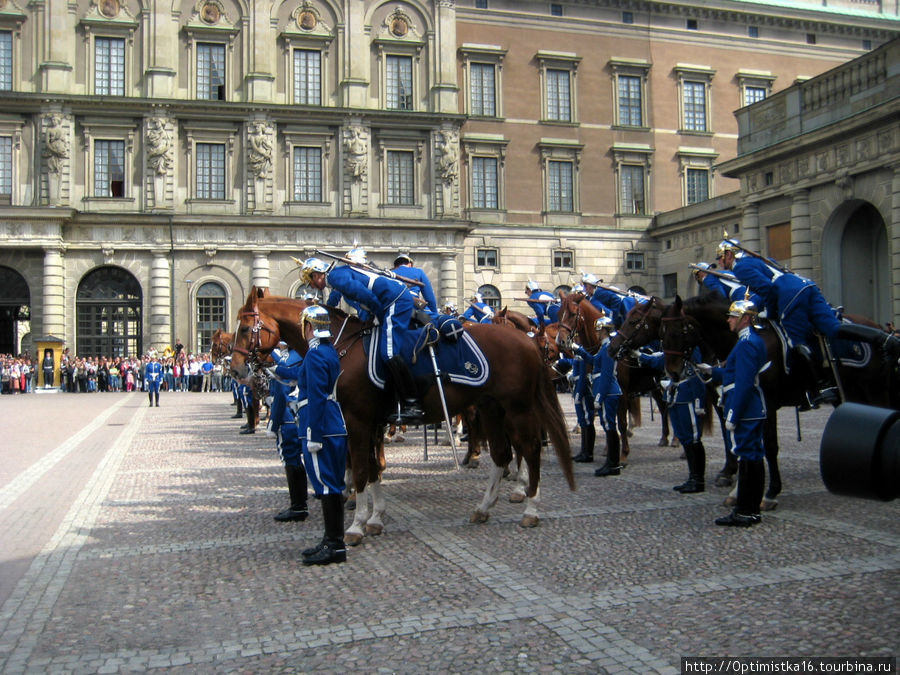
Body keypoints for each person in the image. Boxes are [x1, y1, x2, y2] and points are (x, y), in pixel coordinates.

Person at [717, 238, 900, 404]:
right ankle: (884, 339)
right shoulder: (754, 260)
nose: (719, 262)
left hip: (789, 294)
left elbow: (769, 290)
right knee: (833, 328)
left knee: (796, 341)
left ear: (729, 254)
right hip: (806, 285)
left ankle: (823, 385)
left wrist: (771, 313)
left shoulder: (740, 267)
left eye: (720, 258)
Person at [301, 250, 423, 422]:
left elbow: (365, 296)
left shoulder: (335, 278)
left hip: (395, 301)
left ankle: (412, 403)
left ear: (316, 274)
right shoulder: (337, 276)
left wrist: (378, 316)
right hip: (390, 301)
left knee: (388, 352)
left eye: (311, 281)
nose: (312, 286)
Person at [696, 299, 767, 526]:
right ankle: (751, 509)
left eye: (733, 316)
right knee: (752, 457)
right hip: (752, 409)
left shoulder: (746, 343)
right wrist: (713, 372)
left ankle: (745, 511)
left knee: (748, 458)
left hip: (745, 410)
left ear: (745, 318)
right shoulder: (749, 341)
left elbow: (744, 382)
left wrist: (733, 414)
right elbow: (734, 373)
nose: (728, 320)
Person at [296, 305, 349, 566]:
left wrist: (312, 433)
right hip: (331, 421)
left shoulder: (315, 355)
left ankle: (335, 545)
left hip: (321, 425)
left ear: (309, 326)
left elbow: (316, 396)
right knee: (332, 484)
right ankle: (331, 539)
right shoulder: (327, 351)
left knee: (327, 485)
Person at [637, 346, 708, 493]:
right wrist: (639, 354)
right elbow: (658, 362)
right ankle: (692, 477)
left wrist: (699, 403)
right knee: (684, 437)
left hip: (687, 394)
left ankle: (698, 479)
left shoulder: (691, 349)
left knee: (693, 437)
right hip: (676, 394)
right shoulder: (673, 348)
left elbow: (696, 374)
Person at [574, 315, 623, 477]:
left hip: (608, 392)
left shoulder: (609, 348)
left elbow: (607, 375)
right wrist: (578, 349)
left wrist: (599, 397)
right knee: (607, 425)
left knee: (610, 426)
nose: (595, 333)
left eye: (597, 330)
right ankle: (610, 462)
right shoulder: (604, 347)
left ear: (603, 331)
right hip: (605, 391)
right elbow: (594, 361)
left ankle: (613, 463)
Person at [266, 342, 308, 523]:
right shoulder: (298, 356)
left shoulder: (286, 360)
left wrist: (273, 424)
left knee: (290, 459)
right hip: (298, 415)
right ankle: (301, 501)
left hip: (286, 416)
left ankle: (298, 506)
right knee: (297, 459)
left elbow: (281, 394)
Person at [393, 252, 438, 319]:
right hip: (414, 306)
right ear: (410, 264)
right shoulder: (419, 272)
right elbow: (429, 297)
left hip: (395, 308)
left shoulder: (390, 273)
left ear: (396, 266)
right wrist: (434, 313)